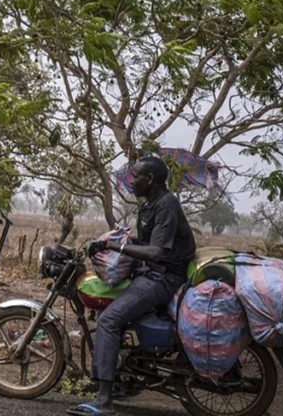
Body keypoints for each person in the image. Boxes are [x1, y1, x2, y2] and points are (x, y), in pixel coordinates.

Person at [69, 157, 196, 416]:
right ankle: (118, 379)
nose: (131, 180)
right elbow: (147, 241)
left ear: (150, 180)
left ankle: (104, 401)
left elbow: (156, 251)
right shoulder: (150, 205)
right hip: (151, 273)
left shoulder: (166, 205)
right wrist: (113, 239)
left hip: (163, 278)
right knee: (107, 311)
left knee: (108, 320)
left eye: (135, 176)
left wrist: (115, 247)